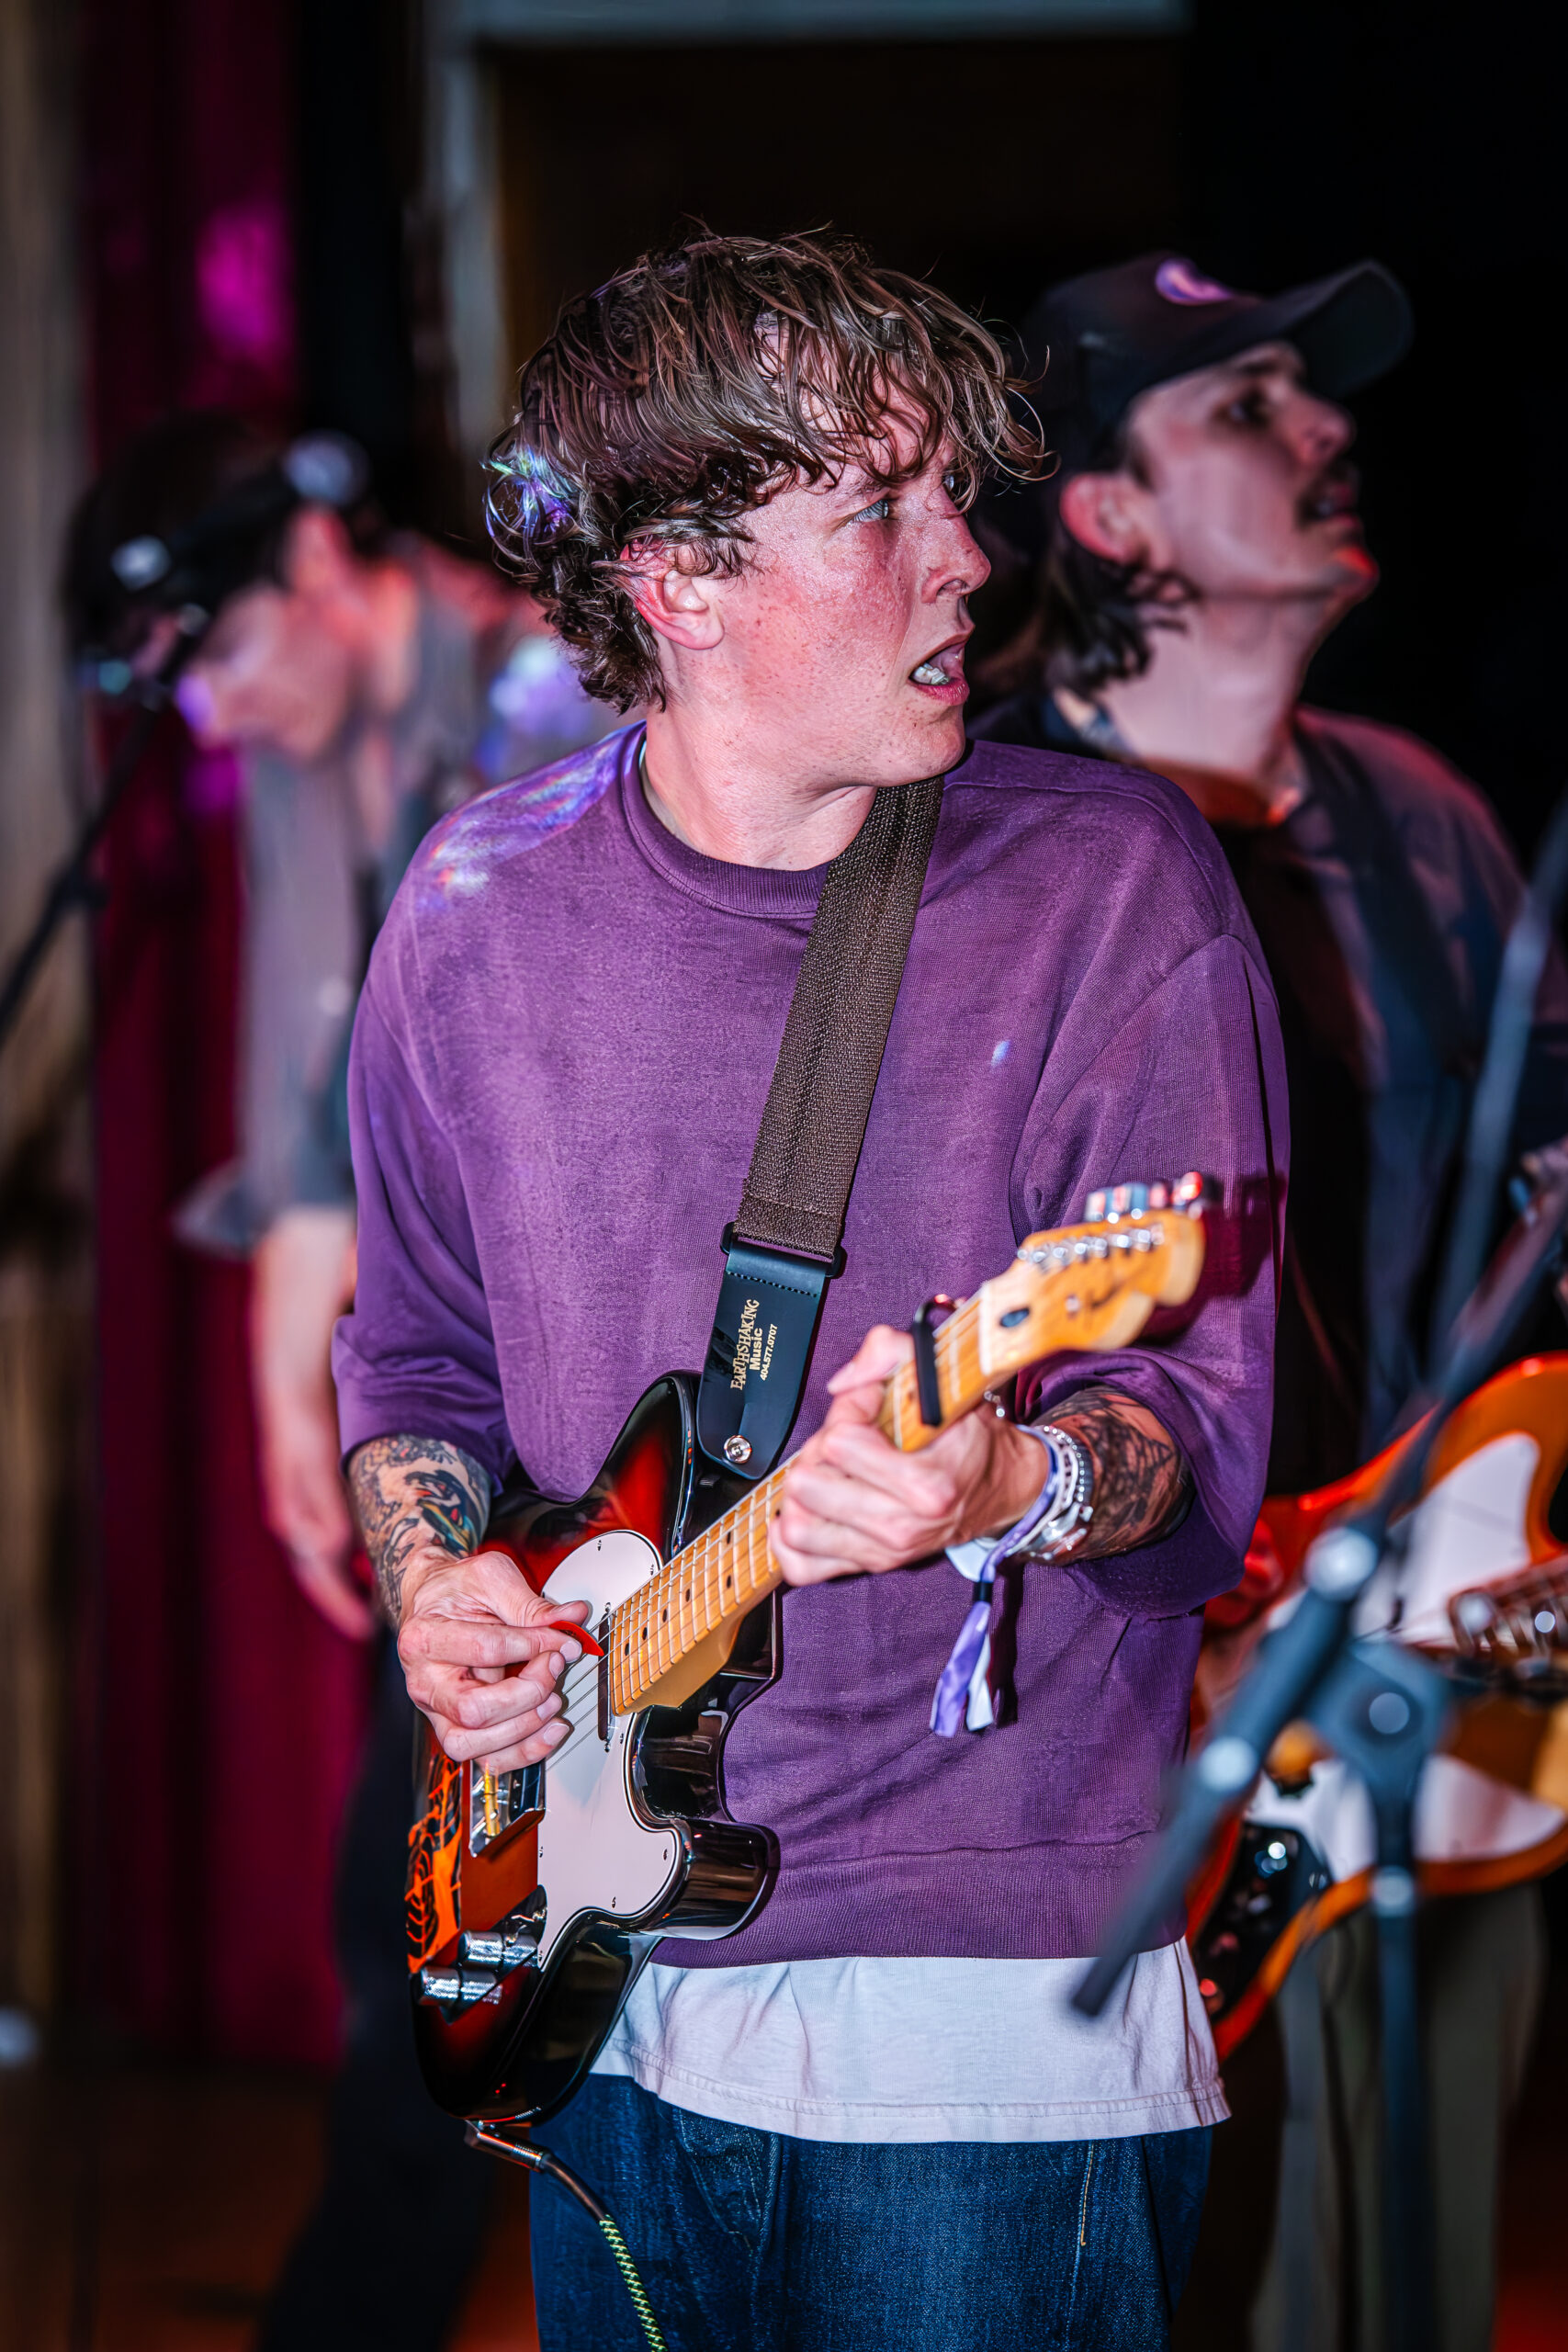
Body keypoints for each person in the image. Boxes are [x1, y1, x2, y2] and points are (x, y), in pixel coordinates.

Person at [333, 230, 1289, 2352]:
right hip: (604, 1992)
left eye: (955, 490)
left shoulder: (1110, 886)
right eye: (878, 507)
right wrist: (436, 1585)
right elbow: (411, 1350)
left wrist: (1007, 1477)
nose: (964, 557)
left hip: (982, 2016)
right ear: (675, 574)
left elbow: (1196, 1419)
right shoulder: (475, 908)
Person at [971, 250, 1568, 2352]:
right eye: (1241, 405)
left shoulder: (1424, 824)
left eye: (1308, 397)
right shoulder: (979, 840)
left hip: (1424, 1687)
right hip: (1106, 1723)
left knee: (1394, 2282)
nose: (1318, 430)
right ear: (1104, 515)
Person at [65, 413, 611, 2350]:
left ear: (310, 564)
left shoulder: (558, 700)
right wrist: (296, 1414)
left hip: (604, 1395)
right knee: (408, 1911)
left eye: (213, 659)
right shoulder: (313, 774)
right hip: (459, 1391)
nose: (209, 721)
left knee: (445, 1932)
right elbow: (312, 1123)